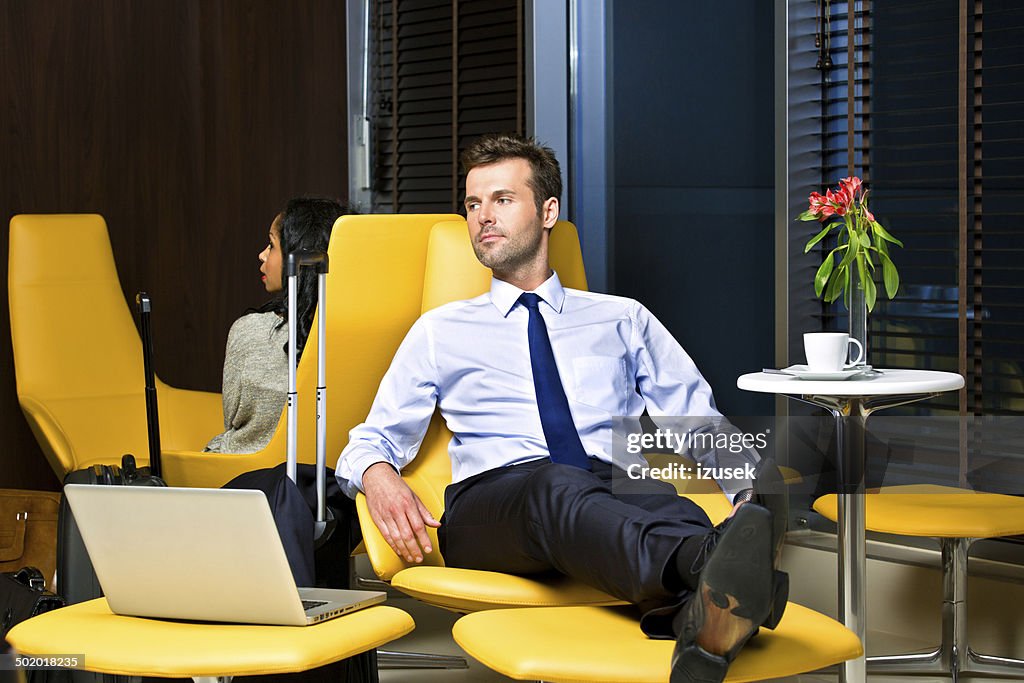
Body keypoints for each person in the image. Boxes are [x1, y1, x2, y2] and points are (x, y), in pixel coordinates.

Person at [336, 134, 787, 683]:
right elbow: (370, 439)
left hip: (610, 491)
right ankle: (714, 571)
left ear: (548, 211)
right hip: (496, 506)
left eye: (502, 199)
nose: (483, 217)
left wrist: (745, 496)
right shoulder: (439, 330)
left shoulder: (622, 317)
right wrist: (379, 476)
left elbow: (695, 418)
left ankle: (703, 629)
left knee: (679, 514)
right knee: (558, 488)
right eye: (473, 204)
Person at [206, 197, 349, 454]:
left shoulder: (251, 330)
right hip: (334, 474)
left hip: (248, 474)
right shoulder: (362, 336)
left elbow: (233, 419)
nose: (262, 255)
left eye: (271, 245)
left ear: (301, 258)